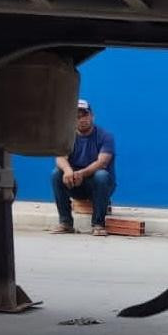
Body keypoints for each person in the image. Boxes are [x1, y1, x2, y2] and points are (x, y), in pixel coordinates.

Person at [50, 99, 116, 236]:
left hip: (99, 185)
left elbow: (102, 162)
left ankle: (98, 224)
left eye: (85, 115)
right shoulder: (67, 136)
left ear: (92, 116)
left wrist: (81, 173)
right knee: (56, 174)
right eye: (77, 117)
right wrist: (68, 171)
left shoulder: (105, 136)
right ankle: (65, 223)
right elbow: (60, 157)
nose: (82, 120)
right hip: (75, 183)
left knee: (101, 175)